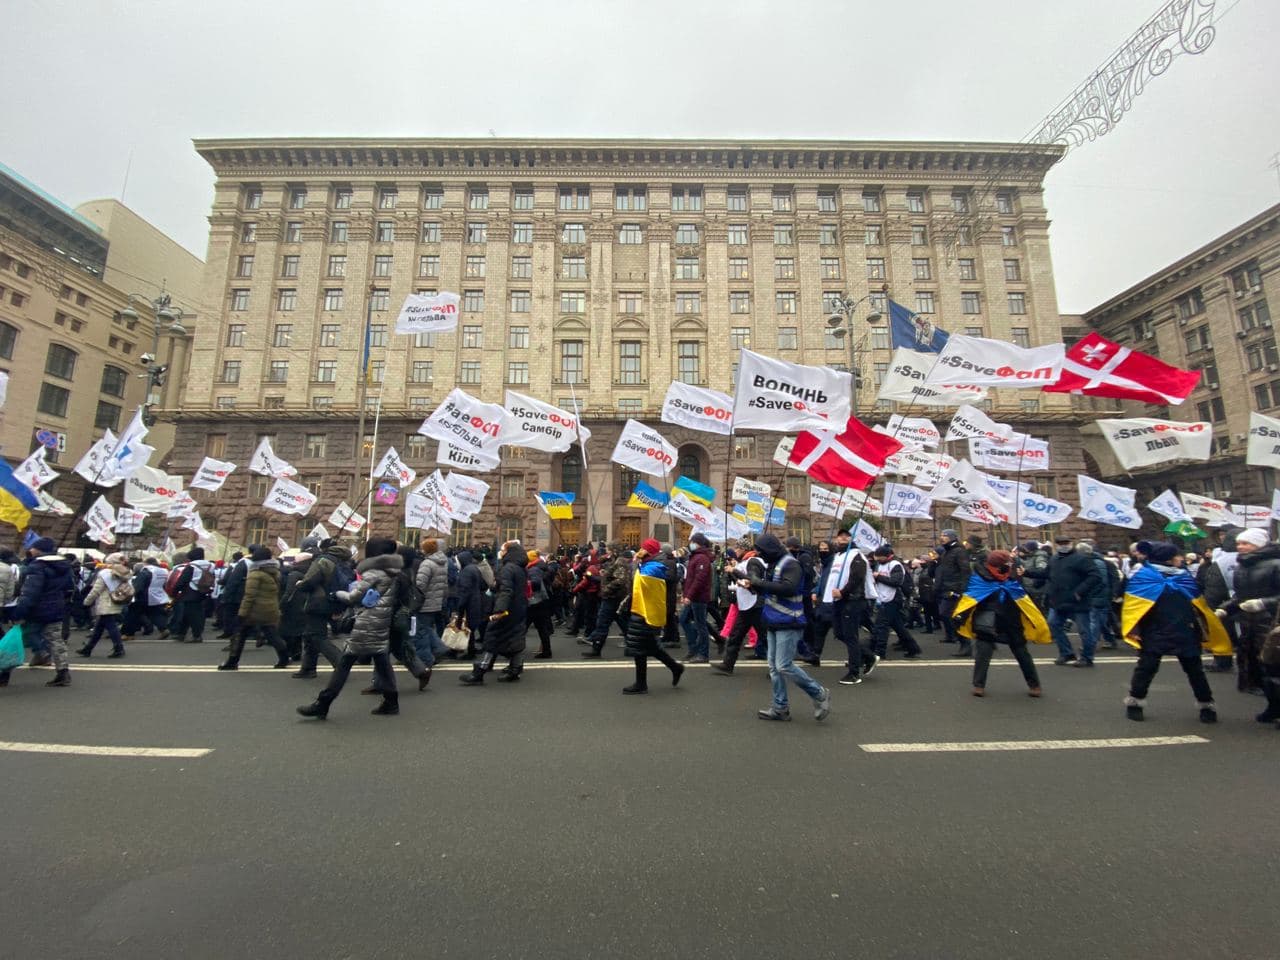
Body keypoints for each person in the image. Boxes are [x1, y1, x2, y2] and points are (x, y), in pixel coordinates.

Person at [1122, 542, 1230, 723]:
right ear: (1168, 559)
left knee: (1195, 670)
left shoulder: (1184, 577)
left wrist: (1206, 623)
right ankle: (1135, 703)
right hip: (1154, 630)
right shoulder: (1143, 576)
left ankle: (1206, 706)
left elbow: (1198, 603)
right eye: (1178, 556)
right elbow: (1133, 607)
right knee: (1146, 668)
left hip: (1185, 629)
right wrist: (1135, 628)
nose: (1181, 558)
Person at [297, 537, 403, 719]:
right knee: (382, 662)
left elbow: (352, 597)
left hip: (367, 623)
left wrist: (336, 593)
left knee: (345, 663)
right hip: (381, 621)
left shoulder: (374, 573)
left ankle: (323, 703)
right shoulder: (393, 571)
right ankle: (391, 701)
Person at [746, 533, 830, 721]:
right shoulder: (775, 563)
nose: (760, 555)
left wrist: (760, 583)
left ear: (769, 550)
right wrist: (751, 584)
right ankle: (780, 707)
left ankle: (819, 693)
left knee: (783, 665)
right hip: (773, 620)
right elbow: (769, 589)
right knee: (774, 668)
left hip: (789, 621)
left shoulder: (791, 564)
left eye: (761, 551)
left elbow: (788, 588)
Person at [950, 549, 1047, 698]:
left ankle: (1034, 684)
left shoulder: (1013, 576)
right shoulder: (979, 578)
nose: (1008, 566)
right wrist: (961, 616)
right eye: (1005, 563)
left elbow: (1023, 598)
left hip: (1011, 621)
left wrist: (1034, 615)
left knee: (1022, 653)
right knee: (982, 654)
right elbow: (970, 598)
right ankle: (978, 685)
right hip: (986, 621)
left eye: (1009, 563)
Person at [1216, 527, 1280, 701]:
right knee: (1251, 659)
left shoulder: (1276, 565)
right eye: (1238, 543)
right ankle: (1267, 700)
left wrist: (1263, 603)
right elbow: (1240, 596)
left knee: (1272, 663)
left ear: (1258, 544)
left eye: (1245, 543)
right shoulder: (1241, 565)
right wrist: (1226, 608)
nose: (1240, 547)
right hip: (1248, 621)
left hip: (1272, 622)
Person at [3, 537, 74, 687]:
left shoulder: (37, 566)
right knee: (56, 641)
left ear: (39, 550)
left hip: (37, 610)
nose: (30, 549)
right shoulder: (64, 566)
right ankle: (63, 673)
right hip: (56, 608)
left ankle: (4, 675)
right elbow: (69, 589)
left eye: (33, 547)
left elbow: (30, 593)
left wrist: (18, 612)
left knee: (15, 640)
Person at [460, 540, 530, 685]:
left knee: (492, 638)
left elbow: (506, 590)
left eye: (503, 550)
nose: (501, 552)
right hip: (518, 608)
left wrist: (499, 610)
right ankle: (514, 670)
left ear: (509, 552)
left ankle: (479, 671)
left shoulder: (508, 568)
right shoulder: (519, 568)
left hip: (506, 610)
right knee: (514, 639)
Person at [621, 538, 685, 694]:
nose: (639, 551)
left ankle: (641, 684)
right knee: (648, 647)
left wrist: (636, 563)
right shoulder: (649, 565)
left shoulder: (653, 567)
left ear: (647, 551)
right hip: (641, 610)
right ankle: (675, 668)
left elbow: (639, 584)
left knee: (640, 648)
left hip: (645, 612)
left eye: (642, 548)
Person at [823, 529, 878, 685]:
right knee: (839, 633)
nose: (843, 538)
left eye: (846, 536)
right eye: (840, 536)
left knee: (850, 635)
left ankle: (854, 673)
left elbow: (857, 577)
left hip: (852, 600)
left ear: (851, 538)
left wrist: (843, 592)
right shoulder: (838, 556)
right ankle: (868, 656)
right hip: (838, 600)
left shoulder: (857, 555)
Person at [288, 538, 349, 679]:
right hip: (332, 600)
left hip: (318, 602)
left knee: (317, 636)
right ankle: (308, 668)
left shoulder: (323, 561)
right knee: (309, 635)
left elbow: (310, 581)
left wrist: (300, 584)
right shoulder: (342, 562)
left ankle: (341, 663)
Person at [220, 545, 289, 670]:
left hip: (255, 609)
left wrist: (242, 613)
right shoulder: (275, 572)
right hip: (271, 607)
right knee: (271, 634)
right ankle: (284, 657)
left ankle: (232, 662)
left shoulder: (255, 573)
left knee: (239, 633)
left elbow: (249, 596)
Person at [1045, 536, 1102, 666]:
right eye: (1060, 543)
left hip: (1078, 601)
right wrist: (1026, 572)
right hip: (1059, 601)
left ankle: (1087, 658)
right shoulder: (1054, 559)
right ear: (1056, 545)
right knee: (1053, 624)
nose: (1063, 545)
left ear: (1072, 544)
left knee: (1084, 630)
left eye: (1066, 543)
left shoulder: (1082, 559)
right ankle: (1066, 653)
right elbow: (1046, 574)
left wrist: (1079, 591)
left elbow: (1095, 576)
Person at [711, 545, 766, 675]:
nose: (735, 551)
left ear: (744, 549)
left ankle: (778, 668)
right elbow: (743, 581)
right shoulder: (747, 561)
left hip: (754, 605)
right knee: (736, 636)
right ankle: (728, 664)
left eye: (738, 548)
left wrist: (734, 571)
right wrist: (733, 572)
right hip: (746, 605)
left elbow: (751, 581)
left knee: (766, 637)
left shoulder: (753, 561)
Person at [869, 543, 922, 660]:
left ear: (886, 556)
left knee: (882, 626)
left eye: (879, 557)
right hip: (884, 598)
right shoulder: (881, 565)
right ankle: (913, 648)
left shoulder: (895, 565)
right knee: (898, 626)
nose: (877, 560)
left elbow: (896, 582)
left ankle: (879, 652)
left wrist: (878, 577)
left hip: (893, 599)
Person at [1197, 529, 1238, 674]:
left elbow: (1214, 590)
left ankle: (1223, 660)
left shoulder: (1221, 561)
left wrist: (1212, 608)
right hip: (1238, 603)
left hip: (1228, 604)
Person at [77, 553, 133, 658]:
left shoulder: (105, 573)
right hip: (117, 600)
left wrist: (86, 602)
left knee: (111, 627)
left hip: (105, 602)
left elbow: (96, 590)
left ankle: (119, 648)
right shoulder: (125, 572)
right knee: (99, 627)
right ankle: (88, 648)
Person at [583, 545, 632, 658]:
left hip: (613, 598)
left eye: (608, 550)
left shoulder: (620, 562)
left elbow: (620, 580)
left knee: (603, 623)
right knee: (621, 623)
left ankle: (596, 649)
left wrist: (606, 589)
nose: (606, 553)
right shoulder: (616, 562)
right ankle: (597, 648)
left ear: (614, 551)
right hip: (614, 598)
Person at [413, 538, 450, 668]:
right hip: (436, 602)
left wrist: (414, 598)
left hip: (425, 602)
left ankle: (426, 658)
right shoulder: (442, 563)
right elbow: (444, 585)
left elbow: (420, 585)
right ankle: (439, 648)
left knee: (420, 630)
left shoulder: (427, 564)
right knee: (427, 627)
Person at [680, 532, 713, 663]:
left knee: (701, 626)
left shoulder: (702, 558)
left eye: (692, 541)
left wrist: (689, 596)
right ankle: (694, 648)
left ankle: (703, 654)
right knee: (683, 620)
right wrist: (686, 595)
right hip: (692, 597)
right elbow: (689, 579)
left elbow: (699, 580)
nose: (690, 544)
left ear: (698, 543)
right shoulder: (696, 557)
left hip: (699, 597)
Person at [170, 547, 216, 643]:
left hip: (190, 592)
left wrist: (174, 592)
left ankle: (196, 635)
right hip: (204, 591)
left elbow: (182, 580)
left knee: (193, 615)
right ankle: (181, 633)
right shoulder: (211, 565)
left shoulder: (191, 566)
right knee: (190, 614)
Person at [934, 529, 970, 649]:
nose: (942, 537)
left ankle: (965, 643)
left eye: (945, 535)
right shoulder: (946, 552)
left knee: (951, 615)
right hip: (946, 588)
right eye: (941, 535)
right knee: (946, 614)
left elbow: (965, 571)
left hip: (955, 589)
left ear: (952, 537)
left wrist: (961, 590)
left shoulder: (959, 551)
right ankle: (961, 641)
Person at [454, 549, 488, 660]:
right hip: (476, 600)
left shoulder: (466, 571)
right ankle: (471, 649)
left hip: (469, 602)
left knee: (468, 627)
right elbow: (483, 585)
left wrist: (460, 607)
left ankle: (470, 651)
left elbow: (465, 590)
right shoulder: (474, 568)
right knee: (471, 627)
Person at [526, 548, 557, 659]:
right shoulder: (542, 567)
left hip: (535, 602)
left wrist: (525, 584)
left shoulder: (534, 569)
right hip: (542, 601)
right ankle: (546, 650)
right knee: (542, 628)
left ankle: (514, 651)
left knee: (523, 627)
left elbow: (536, 584)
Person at [216, 551, 249, 639]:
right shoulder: (250, 565)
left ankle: (229, 631)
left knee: (229, 614)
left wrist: (221, 582)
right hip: (244, 594)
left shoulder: (235, 566)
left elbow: (229, 580)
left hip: (233, 594)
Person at [1018, 540, 1051, 611]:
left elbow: (1042, 570)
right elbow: (1028, 566)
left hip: (1037, 589)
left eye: (1026, 547)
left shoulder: (1039, 557)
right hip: (1029, 588)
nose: (1025, 549)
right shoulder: (1031, 556)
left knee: (1039, 610)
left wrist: (1036, 583)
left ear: (1030, 548)